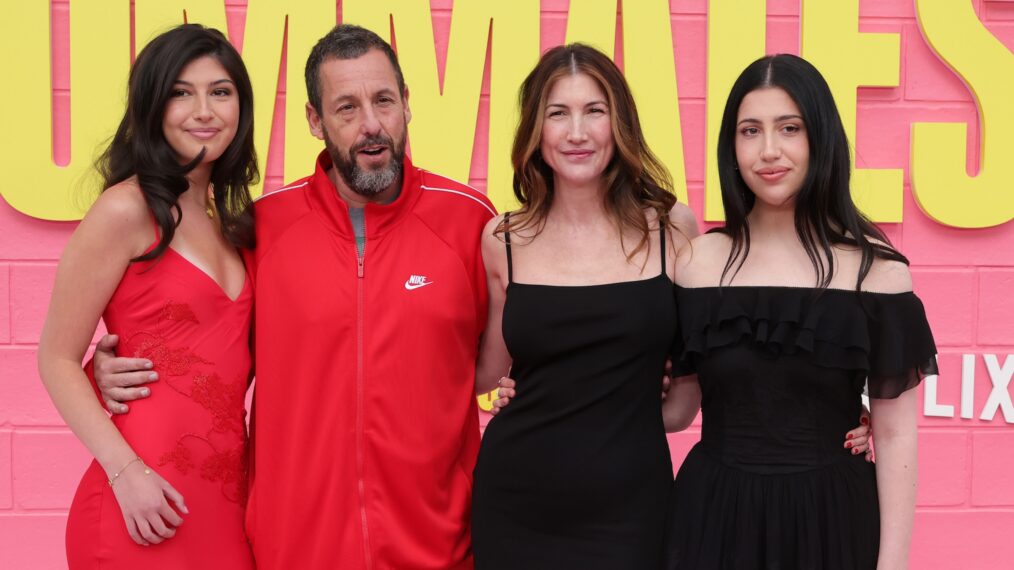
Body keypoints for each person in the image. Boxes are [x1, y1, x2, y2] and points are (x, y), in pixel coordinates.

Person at [93, 24, 495, 569]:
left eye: (383, 101)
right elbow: (208, 340)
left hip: (438, 548)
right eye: (346, 108)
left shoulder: (470, 220)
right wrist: (106, 364)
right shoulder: (262, 227)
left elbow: (514, 344)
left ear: (406, 104)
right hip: (293, 550)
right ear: (315, 120)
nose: (371, 124)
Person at [663, 54, 934, 569]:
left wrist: (892, 564)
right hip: (714, 518)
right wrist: (557, 386)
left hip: (831, 521)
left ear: (821, 139)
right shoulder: (696, 264)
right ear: (731, 146)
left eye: (790, 128)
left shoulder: (878, 273)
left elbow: (897, 434)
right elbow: (676, 407)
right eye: (750, 131)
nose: (769, 150)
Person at [468, 43, 701, 569]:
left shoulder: (671, 229)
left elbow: (686, 402)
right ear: (535, 131)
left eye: (594, 111)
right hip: (516, 505)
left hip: (632, 510)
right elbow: (486, 372)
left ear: (619, 124)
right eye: (558, 113)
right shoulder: (504, 238)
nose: (577, 133)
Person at [37, 25, 257, 569]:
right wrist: (126, 474)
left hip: (227, 506)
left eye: (220, 91)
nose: (203, 109)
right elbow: (55, 358)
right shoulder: (125, 209)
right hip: (140, 502)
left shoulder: (232, 225)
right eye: (182, 92)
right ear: (153, 105)